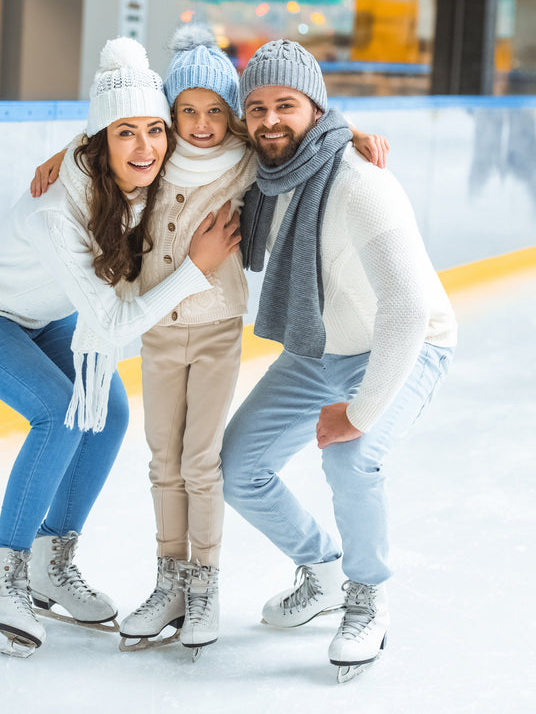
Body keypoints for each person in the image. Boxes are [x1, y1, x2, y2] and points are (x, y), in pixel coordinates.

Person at [30, 26, 389, 657]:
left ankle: (204, 590)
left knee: (202, 461)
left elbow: (301, 123)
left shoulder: (248, 159)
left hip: (218, 330)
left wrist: (351, 129)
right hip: (157, 331)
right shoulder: (158, 155)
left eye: (214, 112)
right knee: (162, 460)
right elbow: (118, 132)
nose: (200, 125)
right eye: (186, 112)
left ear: (232, 117)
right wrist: (69, 153)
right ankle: (169, 581)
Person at [0, 37, 240, 656]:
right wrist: (196, 269)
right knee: (59, 413)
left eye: (156, 129)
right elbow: (117, 321)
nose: (148, 147)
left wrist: (348, 137)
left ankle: (50, 559)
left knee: (109, 415)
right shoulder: (58, 210)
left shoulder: (136, 165)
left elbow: (246, 139)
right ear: (102, 141)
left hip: (46, 315)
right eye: (127, 133)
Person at [220, 39, 457, 680]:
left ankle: (365, 593)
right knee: (238, 468)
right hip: (319, 346)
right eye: (258, 107)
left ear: (317, 107)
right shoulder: (261, 173)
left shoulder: (360, 181)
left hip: (405, 343)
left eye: (286, 105)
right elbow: (176, 144)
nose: (271, 120)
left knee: (352, 457)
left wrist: (359, 413)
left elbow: (407, 309)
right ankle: (322, 570)